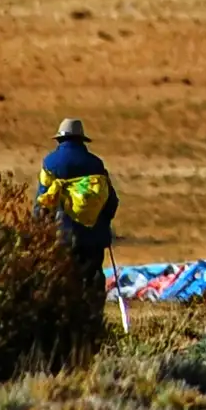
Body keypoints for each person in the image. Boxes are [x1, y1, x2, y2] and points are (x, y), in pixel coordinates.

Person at [32, 118, 120, 297]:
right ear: (81, 140)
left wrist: (37, 230)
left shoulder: (51, 163)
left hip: (61, 235)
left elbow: (42, 201)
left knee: (63, 280)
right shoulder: (96, 164)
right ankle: (93, 317)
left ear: (60, 140)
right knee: (92, 278)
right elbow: (111, 200)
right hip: (94, 235)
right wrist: (104, 221)